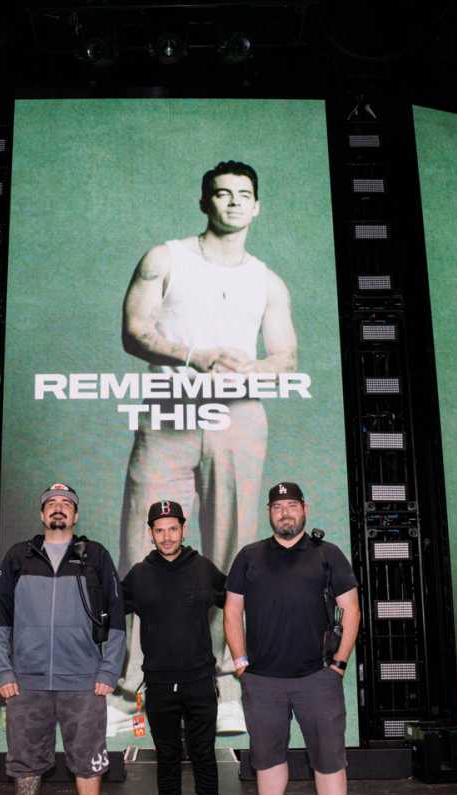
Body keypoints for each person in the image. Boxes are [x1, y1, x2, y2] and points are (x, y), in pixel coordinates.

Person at [114, 160, 298, 737]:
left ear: (257, 207)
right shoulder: (165, 258)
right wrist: (196, 356)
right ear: (205, 202)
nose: (234, 202)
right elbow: (134, 331)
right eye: (223, 193)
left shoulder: (267, 281)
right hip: (170, 410)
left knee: (232, 550)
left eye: (244, 194)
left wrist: (250, 368)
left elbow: (286, 356)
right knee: (144, 544)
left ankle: (222, 681)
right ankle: (133, 684)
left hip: (237, 416)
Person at [0, 484, 126, 795]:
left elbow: (117, 616)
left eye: (66, 504)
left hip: (83, 681)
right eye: (51, 503)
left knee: (88, 762)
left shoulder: (95, 556)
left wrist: (108, 670)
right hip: (26, 682)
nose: (59, 508)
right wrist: (3, 670)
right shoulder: (19, 557)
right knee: (24, 763)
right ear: (42, 514)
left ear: (75, 515)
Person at [224, 482, 360, 795]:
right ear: (269, 512)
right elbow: (232, 610)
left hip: (317, 677)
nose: (285, 512)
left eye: (292, 505)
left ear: (305, 508)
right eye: (278, 506)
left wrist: (339, 663)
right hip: (262, 681)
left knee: (328, 759)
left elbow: (351, 609)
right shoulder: (249, 556)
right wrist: (241, 662)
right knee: (267, 759)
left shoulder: (327, 554)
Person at [122, 499, 227, 795]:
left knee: (203, 755)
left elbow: (236, 602)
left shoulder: (203, 569)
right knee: (166, 757)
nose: (166, 536)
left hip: (199, 681)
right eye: (159, 530)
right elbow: (110, 610)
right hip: (160, 685)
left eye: (172, 529)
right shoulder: (139, 575)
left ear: (183, 529)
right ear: (151, 534)